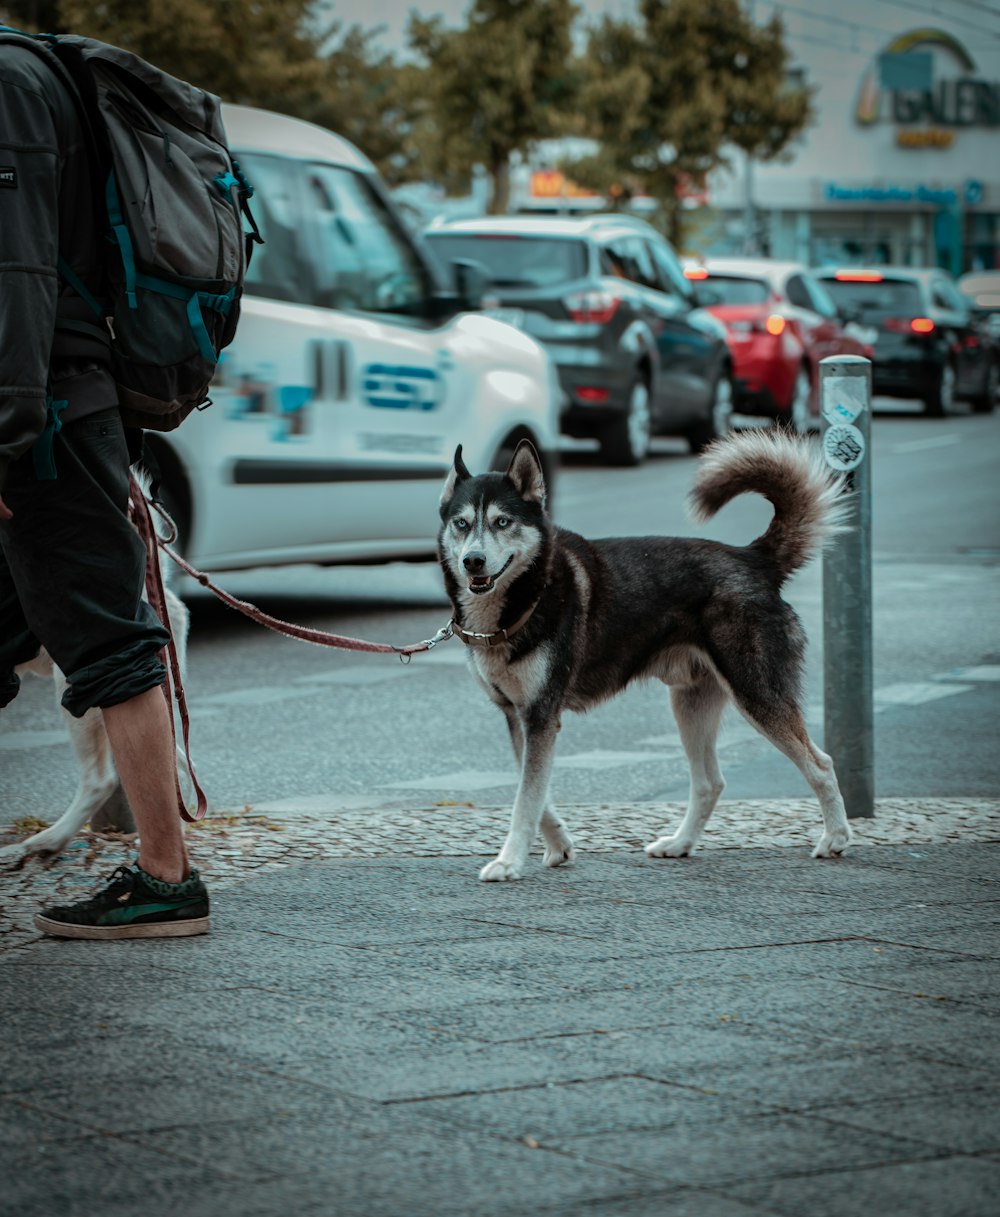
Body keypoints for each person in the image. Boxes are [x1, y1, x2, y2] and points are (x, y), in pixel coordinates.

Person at [0, 37, 209, 939]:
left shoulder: (9, 87)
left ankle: (167, 877)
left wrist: (3, 432)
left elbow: (15, 278)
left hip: (40, 414)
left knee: (111, 639)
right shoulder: (31, 77)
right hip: (51, 404)